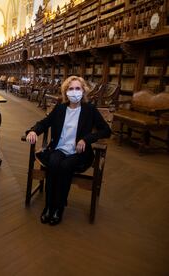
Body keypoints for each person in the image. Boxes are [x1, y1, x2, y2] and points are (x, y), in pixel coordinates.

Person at [25, 76, 111, 225]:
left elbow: (106, 130)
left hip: (79, 153)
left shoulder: (89, 110)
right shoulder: (60, 108)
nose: (74, 92)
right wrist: (33, 131)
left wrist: (86, 139)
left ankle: (58, 208)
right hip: (59, 149)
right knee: (53, 163)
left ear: (83, 91)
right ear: (66, 92)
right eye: (71, 89)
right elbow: (44, 123)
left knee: (65, 167)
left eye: (78, 88)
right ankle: (48, 206)